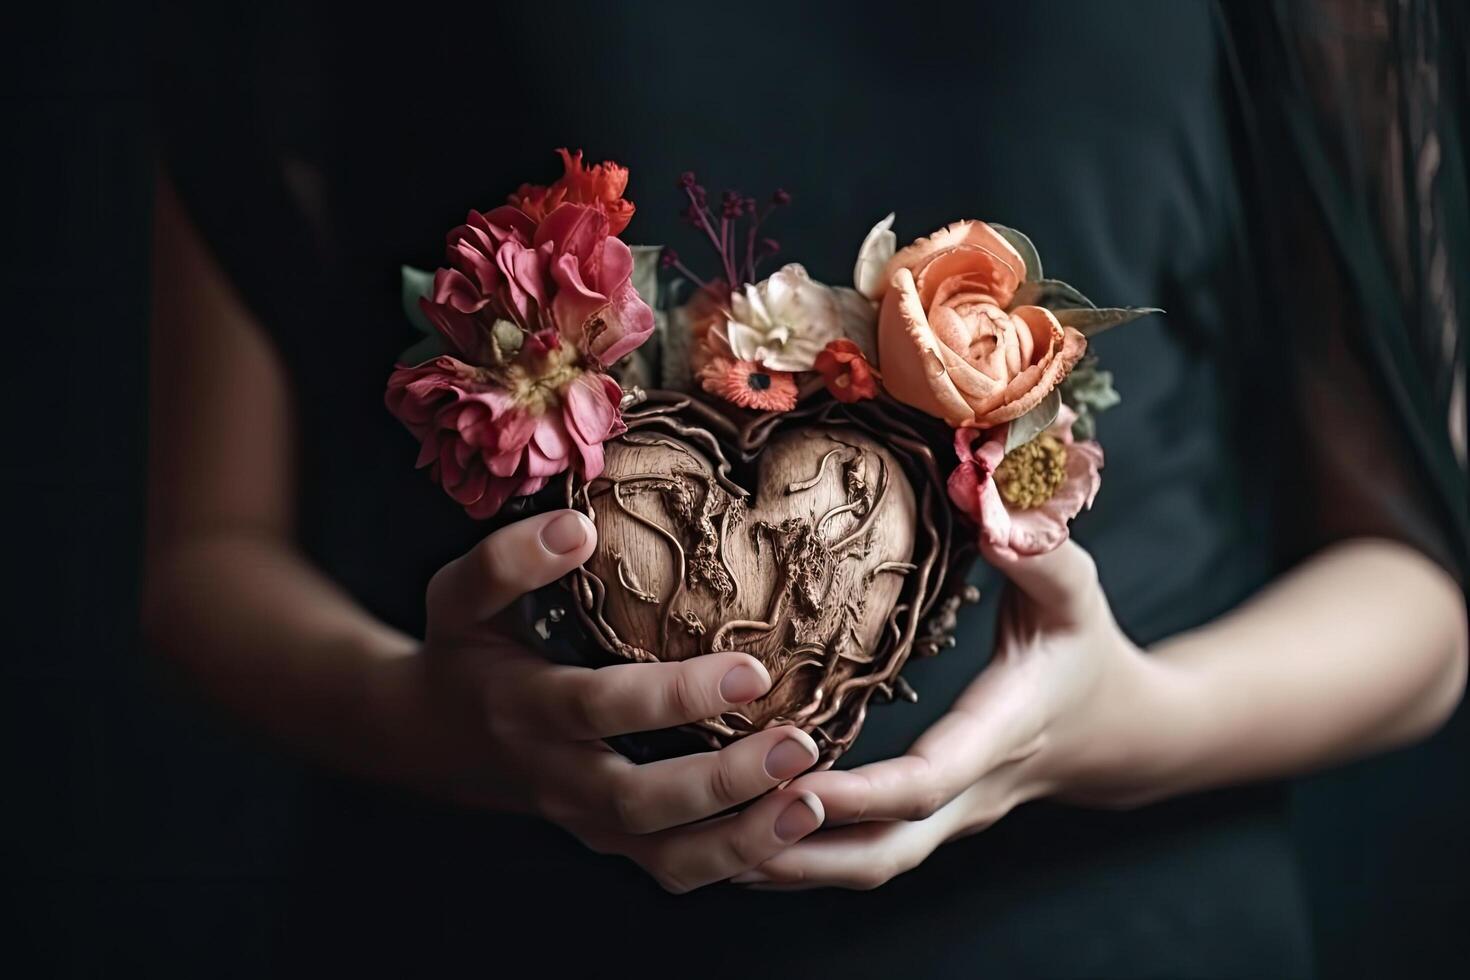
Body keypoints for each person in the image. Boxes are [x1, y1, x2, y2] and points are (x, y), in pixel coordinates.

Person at [145, 1, 1466, 974]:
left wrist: (1122, 721)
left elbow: (1417, 596)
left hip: (1119, 925)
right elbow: (207, 557)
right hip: (481, 922)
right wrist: (434, 721)